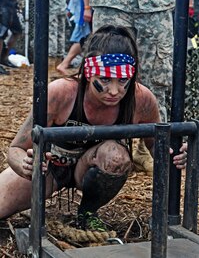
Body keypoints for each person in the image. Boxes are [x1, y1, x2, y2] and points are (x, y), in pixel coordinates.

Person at [0, 25, 187, 229]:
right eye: (105, 79)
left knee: (116, 156)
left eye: (123, 80)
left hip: (95, 164)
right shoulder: (61, 94)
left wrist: (174, 153)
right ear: (89, 74)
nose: (114, 91)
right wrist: (26, 164)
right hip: (51, 169)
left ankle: (87, 212)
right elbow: (15, 149)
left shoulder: (141, 99)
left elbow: (157, 146)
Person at [59, 0, 199, 122]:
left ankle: (153, 142)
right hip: (112, 4)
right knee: (106, 77)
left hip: (156, 5)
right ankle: (106, 141)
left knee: (157, 81)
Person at [0, 0, 41, 72]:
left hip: (10, 6)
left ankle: (3, 58)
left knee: (17, 31)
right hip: (4, 6)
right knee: (1, 33)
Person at [57, 0, 92, 73]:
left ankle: (65, 63)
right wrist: (87, 8)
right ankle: (64, 64)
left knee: (85, 36)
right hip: (86, 8)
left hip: (85, 7)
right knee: (83, 37)